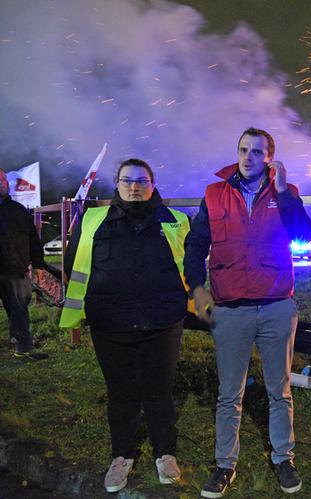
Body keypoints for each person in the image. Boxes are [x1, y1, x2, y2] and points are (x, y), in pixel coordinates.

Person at [184, 127, 311, 498]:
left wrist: (286, 192)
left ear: (269, 157)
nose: (248, 157)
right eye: (243, 149)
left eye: (257, 152)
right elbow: (195, 247)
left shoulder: (285, 193)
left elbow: (304, 234)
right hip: (230, 309)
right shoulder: (214, 195)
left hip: (276, 305)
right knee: (229, 393)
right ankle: (225, 464)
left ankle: (283, 458)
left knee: (280, 389)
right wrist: (197, 289)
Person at [60, 159, 189, 493]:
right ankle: (122, 456)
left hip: (161, 321)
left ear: (153, 183)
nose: (134, 187)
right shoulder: (93, 220)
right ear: (116, 183)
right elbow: (74, 263)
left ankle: (165, 452)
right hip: (110, 322)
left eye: (141, 181)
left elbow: (191, 266)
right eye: (127, 180)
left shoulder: (176, 221)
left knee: (160, 391)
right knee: (121, 393)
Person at [0, 167, 48, 360]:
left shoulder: (18, 210)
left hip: (15, 271)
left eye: (4, 179)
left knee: (19, 310)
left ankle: (24, 348)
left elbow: (33, 240)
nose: (3, 182)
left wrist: (39, 265)